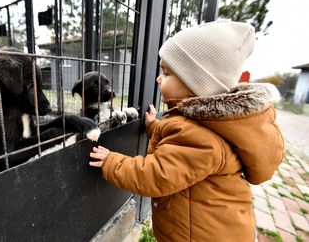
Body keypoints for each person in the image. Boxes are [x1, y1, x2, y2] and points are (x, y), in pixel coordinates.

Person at [89, 20, 284, 241]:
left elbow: (155, 175)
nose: (158, 78)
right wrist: (154, 127)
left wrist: (111, 162)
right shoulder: (208, 124)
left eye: (167, 73)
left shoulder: (201, 137)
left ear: (197, 84)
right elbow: (180, 142)